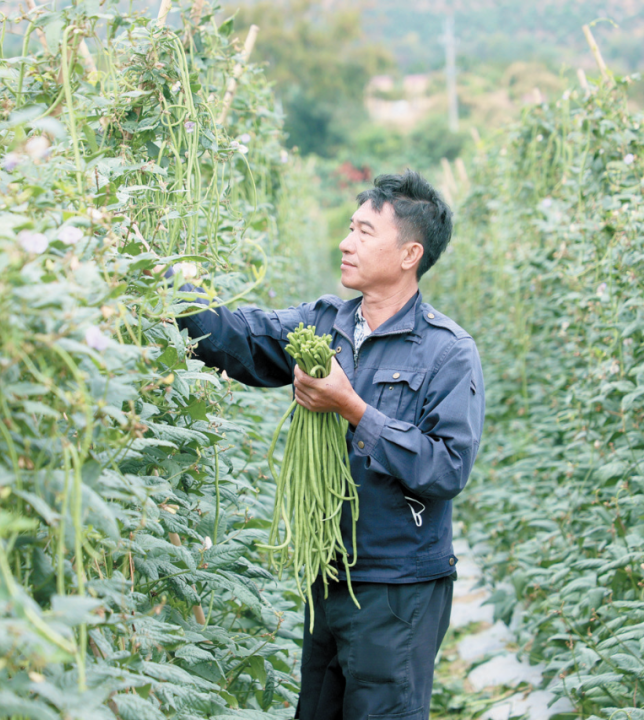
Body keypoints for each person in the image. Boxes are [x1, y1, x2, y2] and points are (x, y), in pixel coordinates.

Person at [175, 169, 485, 720]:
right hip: (330, 575)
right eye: (349, 228)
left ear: (410, 252)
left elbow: (447, 468)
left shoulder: (448, 350)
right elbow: (240, 337)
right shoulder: (323, 324)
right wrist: (170, 286)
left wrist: (353, 408)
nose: (346, 243)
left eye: (365, 232)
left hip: (398, 587)